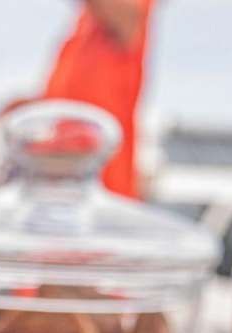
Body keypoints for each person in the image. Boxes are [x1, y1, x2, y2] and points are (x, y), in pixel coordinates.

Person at [42, 0, 154, 198]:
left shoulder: (127, 14)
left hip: (100, 194)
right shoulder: (84, 30)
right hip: (65, 187)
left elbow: (127, 18)